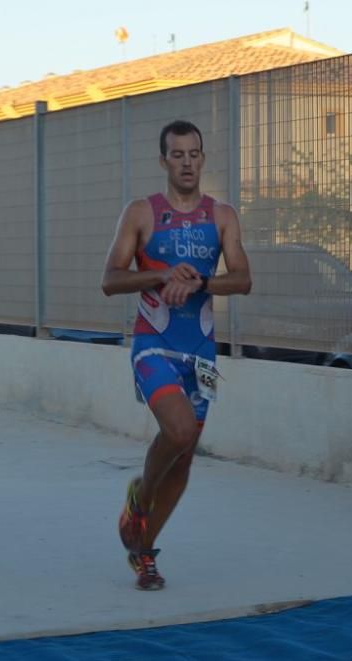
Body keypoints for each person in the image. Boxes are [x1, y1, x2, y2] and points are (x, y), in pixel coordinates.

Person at [100, 120, 252, 590]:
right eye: (177, 154)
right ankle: (140, 500)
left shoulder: (222, 215)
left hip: (200, 353)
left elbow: (243, 279)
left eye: (194, 154)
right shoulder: (142, 213)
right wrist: (161, 275)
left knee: (184, 458)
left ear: (203, 159)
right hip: (154, 344)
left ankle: (143, 552)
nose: (187, 162)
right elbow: (110, 279)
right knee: (179, 429)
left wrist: (202, 282)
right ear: (163, 161)